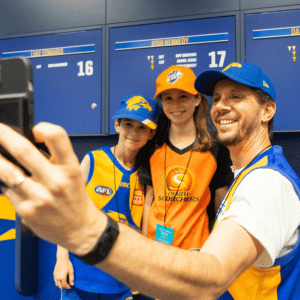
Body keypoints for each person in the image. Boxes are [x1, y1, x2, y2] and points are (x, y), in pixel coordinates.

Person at [1, 62, 300, 300]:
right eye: (218, 97)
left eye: (236, 97)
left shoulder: (267, 182)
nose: (222, 105)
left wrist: (88, 232)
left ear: (267, 110)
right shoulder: (246, 173)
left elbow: (212, 276)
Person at [53, 94, 161, 300]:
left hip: (122, 279)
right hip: (80, 275)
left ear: (151, 134)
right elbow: (68, 212)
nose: (134, 133)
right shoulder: (93, 160)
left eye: (142, 128)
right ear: (117, 125)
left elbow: (144, 230)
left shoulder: (147, 174)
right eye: (128, 124)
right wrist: (61, 259)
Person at [140, 65, 233, 250]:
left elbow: (221, 206)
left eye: (183, 96)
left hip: (196, 249)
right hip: (156, 247)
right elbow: (149, 200)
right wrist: (144, 246)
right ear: (161, 102)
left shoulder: (216, 148)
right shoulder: (152, 148)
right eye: (168, 98)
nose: (176, 105)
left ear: (197, 99)